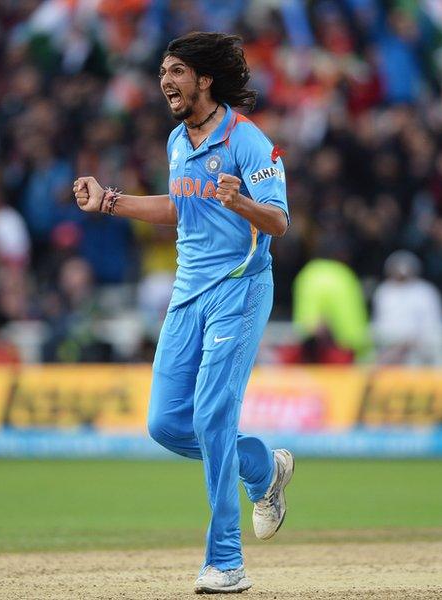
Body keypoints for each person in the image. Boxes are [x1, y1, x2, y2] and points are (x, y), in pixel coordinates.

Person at [72, 32, 293, 594]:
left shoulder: (248, 141)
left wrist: (239, 201)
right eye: (163, 71)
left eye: (176, 71)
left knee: (213, 417)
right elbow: (180, 204)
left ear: (205, 79)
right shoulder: (177, 140)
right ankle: (263, 470)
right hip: (187, 292)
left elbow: (279, 222)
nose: (166, 81)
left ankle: (227, 561)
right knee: (166, 423)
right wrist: (113, 202)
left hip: (240, 289)